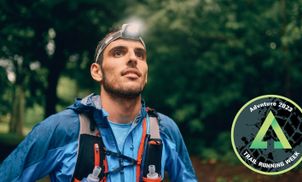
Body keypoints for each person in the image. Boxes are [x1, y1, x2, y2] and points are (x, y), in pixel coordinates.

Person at [0, 23, 197, 182]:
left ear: (145, 75)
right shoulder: (61, 128)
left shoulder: (165, 130)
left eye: (140, 54)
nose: (132, 59)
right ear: (97, 71)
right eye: (118, 52)